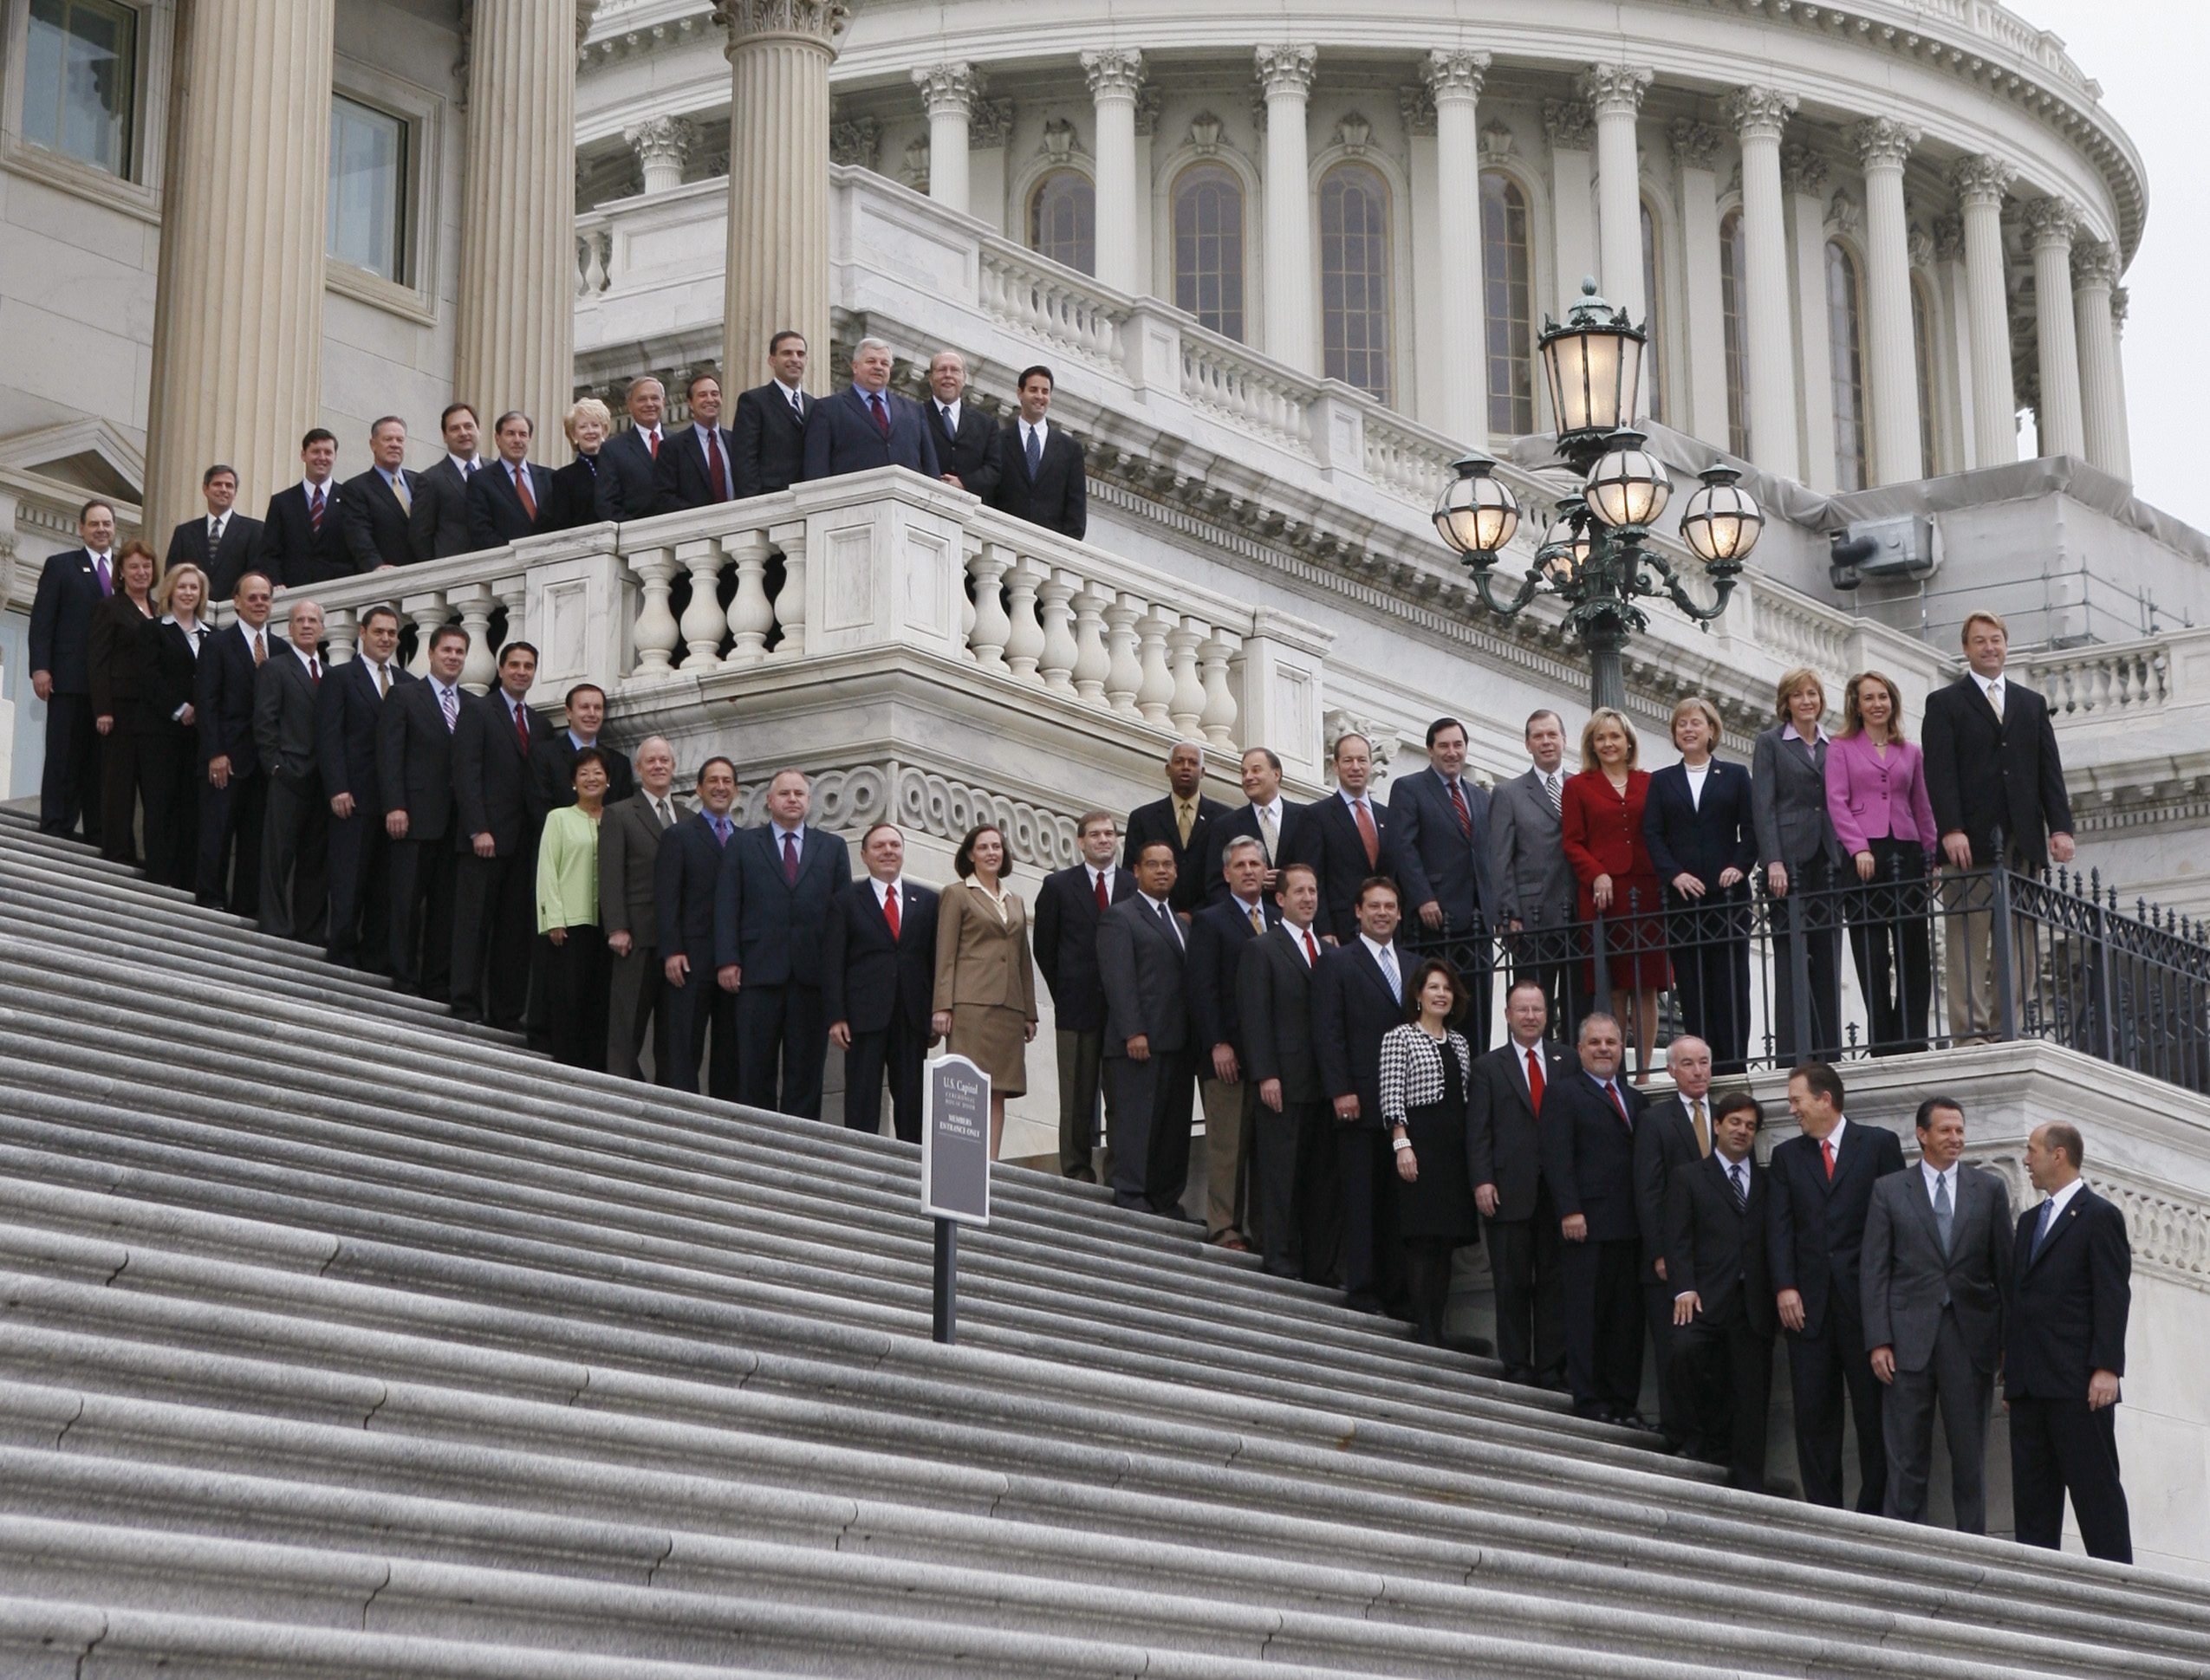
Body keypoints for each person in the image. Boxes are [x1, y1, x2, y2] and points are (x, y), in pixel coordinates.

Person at [1922, 611, 2076, 1042]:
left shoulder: (2031, 703)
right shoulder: (1945, 703)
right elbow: (1940, 772)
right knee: (1967, 939)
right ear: (1966, 649)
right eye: (1979, 641)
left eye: (1996, 640)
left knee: (2022, 941)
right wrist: (1950, 828)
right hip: (1968, 840)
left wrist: (2060, 827)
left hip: (2022, 837)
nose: (1989, 647)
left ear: (2006, 645)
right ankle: (1969, 1029)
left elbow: (2050, 771)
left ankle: (2007, 1026)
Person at [1862, 1095, 2012, 1534]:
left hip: (1971, 1340)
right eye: (1946, 1130)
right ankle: (1905, 1547)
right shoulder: (1889, 1190)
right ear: (1922, 1135)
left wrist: (2008, 1343)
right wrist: (1878, 1340)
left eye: (1961, 1130)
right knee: (1905, 1455)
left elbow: (2005, 1272)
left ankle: (1973, 1546)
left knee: (1970, 1457)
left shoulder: (1988, 1190)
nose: (1955, 1138)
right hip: (1906, 1340)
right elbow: (1874, 1272)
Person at [1767, 1060, 1906, 1512]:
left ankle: (1872, 1512)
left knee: (1872, 1414)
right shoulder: (1788, 1157)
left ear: (1825, 1099)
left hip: (1865, 1307)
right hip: (1807, 1309)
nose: (1792, 1110)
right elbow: (1779, 1228)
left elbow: (1898, 1227)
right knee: (1814, 1414)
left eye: (1797, 1100)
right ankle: (1824, 1510)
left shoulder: (1879, 1145)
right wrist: (1785, 1286)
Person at [2006, 1120, 2132, 1565]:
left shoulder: (2099, 1216)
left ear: (2058, 1155)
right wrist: (2012, 1376)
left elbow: (2113, 1297)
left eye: (2032, 1150)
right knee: (2034, 1509)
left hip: (2080, 1388)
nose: (2026, 1160)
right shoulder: (2027, 1221)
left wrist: (2107, 1368)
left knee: (2097, 1499)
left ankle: (2123, 1597)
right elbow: (2018, 1302)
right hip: (2029, 1389)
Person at [715, 768, 854, 1119]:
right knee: (755, 1064)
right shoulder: (743, 844)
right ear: (768, 800)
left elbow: (842, 918)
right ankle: (755, 1139)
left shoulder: (833, 847)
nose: (792, 799)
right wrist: (727, 960)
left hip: (811, 976)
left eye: (799, 794)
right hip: (757, 972)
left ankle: (801, 1144)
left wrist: (837, 975)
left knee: (806, 1070)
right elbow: (728, 904)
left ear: (809, 801)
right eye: (785, 794)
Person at [1539, 1012, 1649, 1424]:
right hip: (1586, 1225)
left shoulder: (1636, 1100)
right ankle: (1589, 1399)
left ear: (1622, 1049)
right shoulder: (1564, 1094)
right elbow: (1556, 1156)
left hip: (1630, 1227)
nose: (1605, 1049)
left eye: (1612, 1042)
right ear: (1580, 1049)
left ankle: (1624, 1401)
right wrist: (1570, 1209)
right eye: (1596, 1042)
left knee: (1626, 1320)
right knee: (1587, 1315)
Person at [1664, 1089, 1776, 1490]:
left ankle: (1748, 1478)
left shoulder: (1768, 1182)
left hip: (1754, 1303)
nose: (1742, 1131)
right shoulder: (1689, 1177)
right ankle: (1697, 1442)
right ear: (1716, 1125)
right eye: (1735, 1123)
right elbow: (1677, 1240)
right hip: (1706, 1298)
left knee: (1751, 1392)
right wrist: (1684, 1289)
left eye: (1750, 1126)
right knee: (1685, 1354)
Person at [1314, 876, 1413, 1314]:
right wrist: (1341, 1090)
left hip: (1405, 1107)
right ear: (1357, 912)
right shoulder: (1338, 962)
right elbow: (1329, 1031)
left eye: (1390, 906)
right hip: (1359, 1101)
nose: (1382, 913)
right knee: (1361, 1198)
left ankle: (1397, 1289)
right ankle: (1364, 1287)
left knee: (1398, 1201)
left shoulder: (1415, 965)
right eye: (1373, 906)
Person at [1827, 670, 1938, 1055]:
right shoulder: (1841, 747)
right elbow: (1837, 802)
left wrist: (1930, 854)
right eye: (1869, 698)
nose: (1877, 704)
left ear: (1892, 702)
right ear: (1857, 705)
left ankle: (1911, 1036)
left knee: (1913, 947)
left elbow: (1922, 806)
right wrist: (1858, 848)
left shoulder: (1911, 751)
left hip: (1905, 849)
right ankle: (1882, 1040)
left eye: (1883, 697)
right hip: (1864, 853)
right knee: (1872, 951)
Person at [1641, 697, 1756, 1072]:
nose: (1688, 730)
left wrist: (1739, 867)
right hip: (1683, 899)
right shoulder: (1661, 782)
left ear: (1711, 730)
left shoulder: (1736, 775)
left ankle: (1734, 1063)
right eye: (1681, 725)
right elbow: (1653, 835)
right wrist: (1674, 874)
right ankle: (1701, 1065)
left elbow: (1752, 829)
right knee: (1692, 985)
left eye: (1695, 723)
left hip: (1726, 897)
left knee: (1731, 984)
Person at [1468, 977, 1570, 1388]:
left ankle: (1551, 1366)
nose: (1530, 1016)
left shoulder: (1568, 1061)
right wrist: (1482, 1181)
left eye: (1538, 1009)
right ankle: (1516, 1364)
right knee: (1511, 1282)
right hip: (1508, 1192)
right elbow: (1478, 1131)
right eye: (1522, 1009)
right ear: (1508, 1015)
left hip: (1557, 1195)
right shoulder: (1487, 1067)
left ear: (1548, 1015)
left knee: (1554, 1283)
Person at [1238, 861, 1337, 1281]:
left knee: (1321, 1179)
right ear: (1280, 900)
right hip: (1284, 1079)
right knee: (1280, 1174)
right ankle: (1278, 1256)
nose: (1308, 899)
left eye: (1313, 891)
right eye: (1299, 892)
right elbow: (1254, 1017)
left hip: (1325, 1085)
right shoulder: (1263, 948)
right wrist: (1266, 1074)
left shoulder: (1332, 952)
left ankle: (1319, 1264)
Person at [1379, 958, 1479, 1346]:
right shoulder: (1399, 1037)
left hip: (1453, 1152)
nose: (1441, 994)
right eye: (1434, 987)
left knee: (1445, 1241)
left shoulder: (1459, 1042)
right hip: (1420, 1147)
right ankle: (1424, 1328)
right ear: (1419, 994)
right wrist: (1402, 1145)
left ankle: (1437, 1324)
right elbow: (1391, 1097)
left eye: (1447, 989)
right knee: (1422, 1239)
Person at [1095, 840, 1198, 1216]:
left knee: (1171, 1125)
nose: (1161, 871)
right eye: (1152, 864)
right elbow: (1118, 979)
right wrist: (1133, 1031)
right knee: (1136, 1120)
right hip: (1138, 1042)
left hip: (1177, 1042)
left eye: (1168, 865)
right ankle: (1132, 1192)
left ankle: (1164, 1196)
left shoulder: (1182, 923)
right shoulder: (1120, 916)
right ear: (1135, 871)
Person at [1562, 708, 1665, 1080]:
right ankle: (1617, 1070)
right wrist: (1597, 874)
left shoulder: (1649, 782)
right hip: (1605, 894)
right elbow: (1572, 843)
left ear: (1628, 742)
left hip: (1647, 890)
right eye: (1601, 738)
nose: (1608, 743)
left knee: (1648, 984)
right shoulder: (1578, 786)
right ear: (1592, 744)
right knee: (1616, 985)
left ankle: (1644, 1070)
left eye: (1615, 737)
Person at [450, 641, 547, 1028]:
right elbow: (466, 773)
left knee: (514, 930)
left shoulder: (539, 724)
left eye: (529, 666)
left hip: (523, 844)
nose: (522, 672)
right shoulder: (477, 711)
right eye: (515, 665)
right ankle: (465, 1002)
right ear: (501, 670)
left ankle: (506, 1010)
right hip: (485, 839)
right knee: (473, 924)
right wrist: (478, 828)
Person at [1032, 811, 1134, 1181]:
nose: (1104, 840)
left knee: (1121, 1096)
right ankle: (1076, 1169)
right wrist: (1064, 990)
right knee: (1077, 1095)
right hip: (1077, 1005)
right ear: (1080, 842)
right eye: (1095, 834)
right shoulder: (1058, 886)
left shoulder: (1132, 885)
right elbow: (1044, 946)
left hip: (1123, 1012)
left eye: (1109, 834)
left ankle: (1118, 1170)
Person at [1186, 835, 1276, 1249]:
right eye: (1240, 865)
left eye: (1255, 864)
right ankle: (1224, 1226)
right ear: (1226, 874)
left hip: (1270, 1060)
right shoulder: (1211, 920)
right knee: (1227, 1145)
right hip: (1228, 1056)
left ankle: (1260, 1228)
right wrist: (1217, 1043)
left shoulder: (1278, 919)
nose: (1249, 871)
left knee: (1263, 1148)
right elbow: (1202, 988)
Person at [1752, 667, 1845, 1064]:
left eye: (1812, 694)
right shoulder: (1770, 743)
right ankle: (1792, 1051)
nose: (1806, 701)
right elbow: (1763, 806)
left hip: (1829, 857)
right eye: (1797, 695)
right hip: (1789, 860)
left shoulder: (1835, 746)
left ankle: (1828, 1050)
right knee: (1792, 953)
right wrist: (1772, 859)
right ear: (1786, 703)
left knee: (1828, 953)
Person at [827, 821, 940, 1143]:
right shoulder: (846, 900)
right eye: (879, 846)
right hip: (863, 1013)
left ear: (903, 852)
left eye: (894, 845)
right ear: (864, 855)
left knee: (913, 1096)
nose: (888, 851)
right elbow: (833, 962)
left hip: (912, 1013)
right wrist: (836, 1016)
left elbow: (935, 961)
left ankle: (913, 1163)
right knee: (862, 1094)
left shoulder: (928, 902)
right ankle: (862, 1162)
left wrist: (935, 1010)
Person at [1390, 717, 1498, 1050]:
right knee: (1436, 1003)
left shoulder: (1480, 797)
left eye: (1458, 745)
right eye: (1444, 746)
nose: (1452, 753)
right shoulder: (1409, 788)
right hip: (1435, 920)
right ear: (1430, 750)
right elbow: (1402, 848)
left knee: (1476, 1007)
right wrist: (1423, 897)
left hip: (1478, 920)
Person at [931, 822, 1038, 1158]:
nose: (992, 853)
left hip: (1009, 1009)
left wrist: (1030, 1013)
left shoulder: (1016, 900)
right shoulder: (957, 893)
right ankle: (967, 1160)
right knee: (968, 1086)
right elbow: (945, 953)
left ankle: (992, 1164)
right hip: (971, 1005)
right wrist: (942, 1005)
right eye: (984, 847)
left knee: (999, 1088)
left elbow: (1023, 958)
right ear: (970, 855)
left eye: (997, 847)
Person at [317, 604, 411, 971]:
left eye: (391, 633)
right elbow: (329, 737)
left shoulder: (406, 683)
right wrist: (337, 787)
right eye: (379, 632)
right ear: (362, 633)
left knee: (383, 886)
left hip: (394, 803)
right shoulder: (341, 677)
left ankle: (374, 958)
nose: (386, 638)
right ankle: (341, 953)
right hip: (353, 797)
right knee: (348, 879)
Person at [1633, 1033, 1714, 1447]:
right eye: (1688, 1064)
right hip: (1672, 1259)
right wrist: (1660, 1252)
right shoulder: (1655, 1120)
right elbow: (1648, 1192)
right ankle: (1679, 1434)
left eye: (1703, 1062)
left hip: (1715, 1259)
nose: (1698, 1071)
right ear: (1670, 1070)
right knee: (1673, 1352)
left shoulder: (1726, 1117)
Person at [378, 624, 468, 1000]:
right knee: (406, 899)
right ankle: (402, 972)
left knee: (445, 905)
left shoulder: (473, 704)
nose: (453, 657)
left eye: (460, 652)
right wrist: (395, 805)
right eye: (446, 650)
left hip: (456, 823)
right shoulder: (403, 696)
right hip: (413, 816)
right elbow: (389, 755)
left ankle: (435, 979)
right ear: (430, 654)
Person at [28, 498, 117, 843]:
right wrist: (40, 667)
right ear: (81, 528)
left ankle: (94, 830)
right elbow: (42, 621)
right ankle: (54, 824)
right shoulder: (61, 566)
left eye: (106, 523)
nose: (101, 529)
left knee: (97, 762)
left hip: (107, 687)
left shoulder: (125, 572)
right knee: (63, 754)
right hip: (67, 678)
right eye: (94, 524)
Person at [1489, 709, 1581, 1034]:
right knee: (1533, 1010)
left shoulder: (1582, 787)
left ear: (1564, 741)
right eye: (1538, 736)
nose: (1546, 742)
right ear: (1527, 744)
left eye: (1552, 735)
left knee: (1578, 1009)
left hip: (1578, 917)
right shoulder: (1508, 793)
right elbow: (1500, 859)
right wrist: (1509, 914)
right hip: (1532, 920)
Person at [195, 570, 282, 913]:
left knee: (255, 839)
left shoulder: (280, 648)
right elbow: (207, 702)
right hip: (227, 757)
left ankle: (246, 907)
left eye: (265, 597)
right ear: (237, 602)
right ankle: (211, 898)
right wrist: (216, 752)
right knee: (217, 832)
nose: (259, 603)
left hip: (265, 762)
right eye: (253, 597)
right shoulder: (217, 643)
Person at [657, 757, 742, 1098]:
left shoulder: (747, 840)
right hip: (690, 956)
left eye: (727, 781)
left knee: (730, 1044)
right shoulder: (679, 835)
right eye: (713, 781)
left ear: (735, 789)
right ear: (699, 788)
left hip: (733, 959)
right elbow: (667, 897)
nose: (720, 787)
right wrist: (671, 950)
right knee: (684, 1041)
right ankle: (682, 1110)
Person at [599, 736, 679, 1082]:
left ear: (674, 767)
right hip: (636, 934)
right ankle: (622, 1088)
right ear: (638, 768)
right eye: (651, 761)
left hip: (677, 940)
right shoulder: (619, 813)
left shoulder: (689, 818)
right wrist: (617, 926)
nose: (658, 766)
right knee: (627, 1022)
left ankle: (668, 1094)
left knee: (672, 1027)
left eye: (664, 760)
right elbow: (610, 873)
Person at [253, 598, 329, 944]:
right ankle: (274, 922)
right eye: (300, 620)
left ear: (323, 629)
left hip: (321, 781)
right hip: (288, 773)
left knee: (314, 860)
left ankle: (309, 929)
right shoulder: (276, 667)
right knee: (277, 855)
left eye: (313, 620)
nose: (307, 625)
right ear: (290, 627)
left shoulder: (330, 673)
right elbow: (265, 721)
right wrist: (275, 765)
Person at [536, 748, 613, 1070]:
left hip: (608, 924)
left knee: (601, 1000)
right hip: (570, 922)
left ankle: (596, 1067)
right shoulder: (559, 818)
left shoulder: (617, 818)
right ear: (573, 782)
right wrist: (553, 918)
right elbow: (547, 870)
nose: (591, 779)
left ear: (608, 780)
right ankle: (567, 1064)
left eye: (597, 773)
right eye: (583, 773)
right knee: (569, 997)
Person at [86, 541, 160, 865]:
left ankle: (145, 851)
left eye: (146, 566)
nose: (141, 572)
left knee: (149, 780)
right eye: (134, 567)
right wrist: (103, 708)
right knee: (119, 781)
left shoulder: (160, 608)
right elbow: (98, 660)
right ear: (121, 573)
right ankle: (118, 850)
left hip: (151, 709)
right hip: (120, 706)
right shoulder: (110, 607)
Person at [145, 562, 213, 890]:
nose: (188, 593)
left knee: (193, 807)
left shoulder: (212, 636)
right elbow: (150, 677)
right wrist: (180, 708)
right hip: (163, 731)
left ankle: (186, 879)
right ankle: (160, 876)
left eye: (194, 588)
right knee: (162, 803)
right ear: (170, 590)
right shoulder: (155, 629)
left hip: (200, 737)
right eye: (183, 586)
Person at [802, 336, 941, 483]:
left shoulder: (914, 411)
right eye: (871, 361)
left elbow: (931, 469)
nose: (878, 367)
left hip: (905, 500)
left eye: (884, 363)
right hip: (853, 499)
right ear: (855, 366)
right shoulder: (827, 409)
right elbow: (816, 469)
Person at [1309, 733, 1402, 947]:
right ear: (1335, 766)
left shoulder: (1388, 817)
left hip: (1387, 931)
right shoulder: (1317, 816)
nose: (1356, 767)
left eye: (1362, 760)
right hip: (1342, 930)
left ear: (1370, 764)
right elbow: (1315, 877)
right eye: (1348, 760)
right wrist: (1324, 928)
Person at [1122, 741, 1228, 918]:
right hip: (1154, 920)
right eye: (1179, 761)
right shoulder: (1143, 818)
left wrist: (1196, 915)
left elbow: (1226, 876)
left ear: (1203, 772)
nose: (1186, 767)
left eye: (1193, 763)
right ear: (1167, 769)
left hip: (1210, 920)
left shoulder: (1224, 819)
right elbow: (1131, 875)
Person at [1200, 746, 1314, 907]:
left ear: (1276, 774)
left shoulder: (1306, 818)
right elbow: (1216, 885)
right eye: (1244, 772)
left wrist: (1288, 879)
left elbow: (1318, 870)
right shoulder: (1225, 825)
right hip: (1249, 923)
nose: (1248, 777)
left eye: (1255, 770)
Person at [988, 364, 1085, 539]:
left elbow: (1076, 511)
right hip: (1005, 541)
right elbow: (989, 495)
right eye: (1033, 390)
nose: (1040, 396)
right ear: (1020, 393)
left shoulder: (1070, 450)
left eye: (1045, 391)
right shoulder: (998, 442)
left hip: (1050, 550)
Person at [258, 429, 354, 587]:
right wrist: (275, 583)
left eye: (328, 452)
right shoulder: (281, 502)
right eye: (316, 452)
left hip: (338, 591)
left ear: (335, 456)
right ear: (303, 455)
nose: (322, 458)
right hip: (293, 591)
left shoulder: (350, 499)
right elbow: (269, 553)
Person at [163, 464, 261, 603]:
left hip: (234, 611)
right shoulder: (184, 532)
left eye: (229, 486)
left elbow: (255, 573)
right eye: (217, 484)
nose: (223, 489)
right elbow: (172, 573)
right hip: (193, 612)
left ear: (235, 492)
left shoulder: (254, 530)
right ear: (205, 489)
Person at [731, 332, 811, 499]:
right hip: (770, 500)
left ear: (806, 361)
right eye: (787, 353)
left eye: (800, 354)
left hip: (807, 497)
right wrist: (753, 503)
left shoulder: (815, 405)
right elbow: (744, 459)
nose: (795, 359)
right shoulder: (753, 401)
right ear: (772, 360)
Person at [337, 416, 417, 571]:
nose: (395, 445)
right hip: (384, 578)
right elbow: (359, 535)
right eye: (388, 439)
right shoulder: (355, 488)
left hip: (424, 575)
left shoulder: (420, 482)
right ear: (373, 445)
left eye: (400, 440)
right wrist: (375, 566)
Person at [465, 412, 555, 551]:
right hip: (505, 564)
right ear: (498, 439)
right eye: (511, 433)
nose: (517, 440)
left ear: (529, 439)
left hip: (547, 562)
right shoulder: (480, 481)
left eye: (523, 434)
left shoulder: (549, 477)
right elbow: (481, 531)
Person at [410, 402, 487, 561]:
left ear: (478, 430)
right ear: (445, 436)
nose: (463, 433)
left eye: (468, 426)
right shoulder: (430, 479)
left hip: (498, 569)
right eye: (455, 429)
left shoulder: (497, 471)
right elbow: (420, 536)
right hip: (453, 573)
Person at [921, 349, 1003, 497]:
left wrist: (964, 483)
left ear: (964, 379)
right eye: (941, 370)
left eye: (955, 370)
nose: (948, 375)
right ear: (931, 378)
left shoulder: (986, 424)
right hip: (924, 498)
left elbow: (994, 469)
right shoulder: (916, 414)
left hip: (970, 508)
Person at [654, 371, 740, 511]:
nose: (710, 399)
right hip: (695, 526)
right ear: (690, 403)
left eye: (715, 394)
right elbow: (664, 496)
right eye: (702, 395)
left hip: (738, 524)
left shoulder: (736, 441)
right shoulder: (672, 447)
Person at [544, 399, 620, 532]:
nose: (590, 431)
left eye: (595, 425)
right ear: (574, 434)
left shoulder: (620, 467)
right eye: (583, 427)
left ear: (604, 431)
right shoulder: (563, 478)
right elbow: (561, 524)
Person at [599, 377, 668, 519]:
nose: (649, 404)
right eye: (642, 399)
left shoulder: (680, 442)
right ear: (629, 405)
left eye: (655, 398)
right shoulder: (613, 450)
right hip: (637, 534)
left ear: (663, 402)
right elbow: (607, 505)